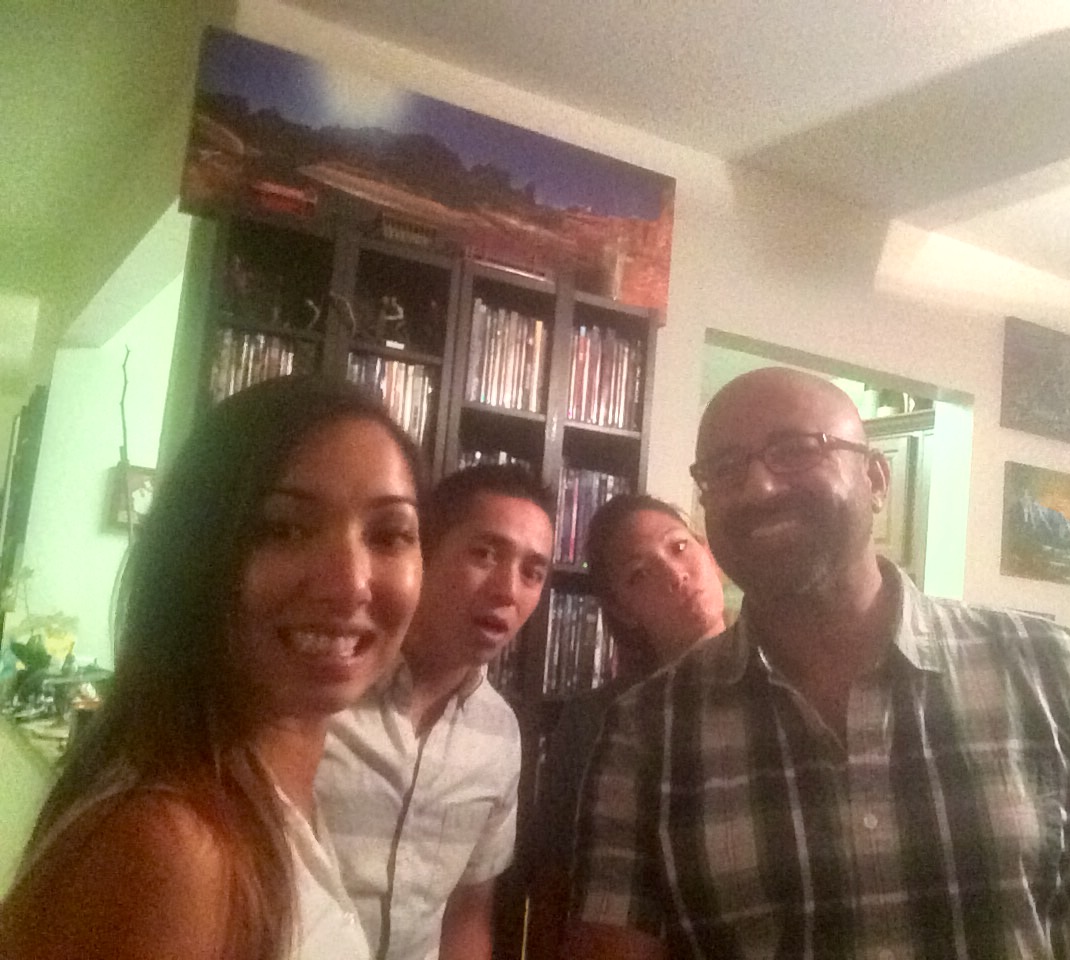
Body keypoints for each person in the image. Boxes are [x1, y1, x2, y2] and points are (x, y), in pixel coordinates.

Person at [566, 367, 1070, 960]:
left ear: (876, 479)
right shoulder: (646, 732)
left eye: (796, 450)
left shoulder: (1057, 673)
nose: (759, 486)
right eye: (725, 468)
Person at [0, 375, 427, 960]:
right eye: (284, 529)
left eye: (389, 534)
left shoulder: (269, 796)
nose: (350, 583)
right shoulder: (177, 850)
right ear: (197, 552)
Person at [315, 464, 556, 960]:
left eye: (532, 572)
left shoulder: (501, 733)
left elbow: (468, 912)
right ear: (422, 550)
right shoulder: (325, 686)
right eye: (484, 553)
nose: (508, 590)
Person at [523, 494, 727, 958]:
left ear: (707, 551)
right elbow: (553, 886)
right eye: (639, 574)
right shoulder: (599, 720)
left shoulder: (780, 681)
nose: (674, 575)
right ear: (623, 611)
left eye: (679, 548)